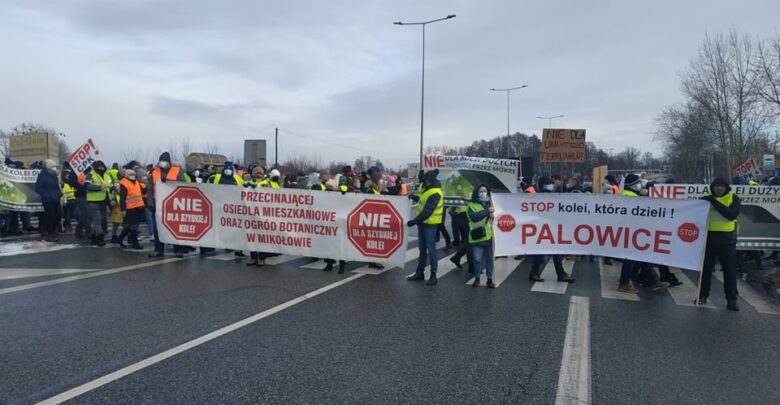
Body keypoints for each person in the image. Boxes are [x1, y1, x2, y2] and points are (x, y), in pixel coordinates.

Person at [617, 174, 669, 293]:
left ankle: (652, 281)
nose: (640, 185)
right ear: (632, 185)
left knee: (640, 256)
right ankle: (623, 283)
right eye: (638, 183)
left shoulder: (630, 194)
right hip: (632, 230)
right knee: (631, 258)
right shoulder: (629, 195)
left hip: (634, 230)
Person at [697, 177, 741, 311]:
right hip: (709, 239)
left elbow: (731, 215)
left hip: (727, 240)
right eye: (716, 186)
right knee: (706, 270)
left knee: (729, 271)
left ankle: (731, 300)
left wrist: (713, 201)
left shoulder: (733, 198)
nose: (719, 188)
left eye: (722, 186)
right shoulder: (706, 199)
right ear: (713, 187)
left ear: (726, 188)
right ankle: (702, 296)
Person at [528, 176, 575, 283]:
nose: (551, 185)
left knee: (549, 251)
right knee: (549, 251)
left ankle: (536, 272)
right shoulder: (540, 197)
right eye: (549, 184)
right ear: (543, 185)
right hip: (543, 229)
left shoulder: (550, 196)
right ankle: (559, 274)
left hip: (549, 229)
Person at [406, 170, 444, 286]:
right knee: (422, 249)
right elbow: (424, 203)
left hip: (430, 224)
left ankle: (433, 275)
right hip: (423, 224)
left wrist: (413, 221)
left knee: (431, 249)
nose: (424, 182)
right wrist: (416, 198)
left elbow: (427, 211)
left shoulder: (435, 193)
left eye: (425, 180)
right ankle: (420, 272)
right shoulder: (428, 189)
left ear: (429, 180)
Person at [148, 152, 187, 258]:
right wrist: (150, 204)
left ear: (169, 162)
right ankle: (158, 249)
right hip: (158, 204)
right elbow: (150, 189)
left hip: (174, 204)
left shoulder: (177, 170)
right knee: (158, 228)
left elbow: (183, 184)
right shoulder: (154, 173)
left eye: (164, 161)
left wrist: (168, 182)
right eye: (161, 161)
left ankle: (178, 250)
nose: (162, 163)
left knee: (175, 227)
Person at [467, 184, 495, 288]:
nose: (483, 193)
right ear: (477, 192)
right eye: (481, 191)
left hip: (489, 237)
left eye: (485, 191)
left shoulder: (491, 204)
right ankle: (477, 278)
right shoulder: (472, 205)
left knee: (490, 260)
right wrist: (487, 211)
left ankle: (489, 279)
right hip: (477, 238)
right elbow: (474, 217)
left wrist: (493, 215)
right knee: (477, 259)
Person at [84, 161, 112, 246]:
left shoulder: (106, 176)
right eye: (99, 167)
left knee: (101, 220)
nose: (101, 168)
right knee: (98, 220)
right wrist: (99, 187)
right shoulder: (90, 175)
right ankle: (100, 238)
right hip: (93, 201)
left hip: (103, 201)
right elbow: (87, 186)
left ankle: (94, 237)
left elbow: (110, 186)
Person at [116, 169, 146, 249]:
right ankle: (135, 243)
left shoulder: (136, 182)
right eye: (131, 174)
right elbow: (122, 198)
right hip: (130, 208)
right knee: (134, 226)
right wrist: (123, 209)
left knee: (132, 226)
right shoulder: (124, 183)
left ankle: (120, 239)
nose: (133, 175)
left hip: (138, 207)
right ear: (126, 175)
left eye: (134, 174)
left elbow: (143, 191)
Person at [34, 159, 63, 242]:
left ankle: (52, 230)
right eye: (53, 167)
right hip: (47, 200)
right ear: (49, 167)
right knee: (50, 216)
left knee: (58, 215)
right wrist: (46, 195)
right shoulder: (42, 175)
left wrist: (59, 193)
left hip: (56, 198)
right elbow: (38, 188)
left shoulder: (54, 175)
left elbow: (56, 186)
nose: (55, 168)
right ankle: (51, 233)